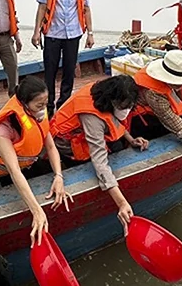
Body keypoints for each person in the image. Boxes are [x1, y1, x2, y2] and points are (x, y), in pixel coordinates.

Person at [0, 76, 72, 247]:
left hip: (25, 164)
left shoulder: (37, 113)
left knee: (52, 172)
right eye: (39, 106)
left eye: (45, 104)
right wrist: (37, 210)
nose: (43, 110)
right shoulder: (4, 128)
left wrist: (59, 177)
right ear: (24, 104)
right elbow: (14, 172)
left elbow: (50, 147)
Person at [50, 75, 148, 236]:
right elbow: (100, 162)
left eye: (129, 106)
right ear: (112, 100)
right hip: (67, 143)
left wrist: (130, 139)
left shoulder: (103, 95)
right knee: (89, 166)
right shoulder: (92, 117)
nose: (126, 110)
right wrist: (122, 203)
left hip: (90, 133)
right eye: (123, 106)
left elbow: (113, 121)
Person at [31, 0, 95, 118]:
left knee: (69, 72)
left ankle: (64, 105)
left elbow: (86, 9)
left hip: (73, 34)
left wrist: (90, 33)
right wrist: (36, 32)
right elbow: (42, 7)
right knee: (50, 72)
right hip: (52, 33)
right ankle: (48, 105)